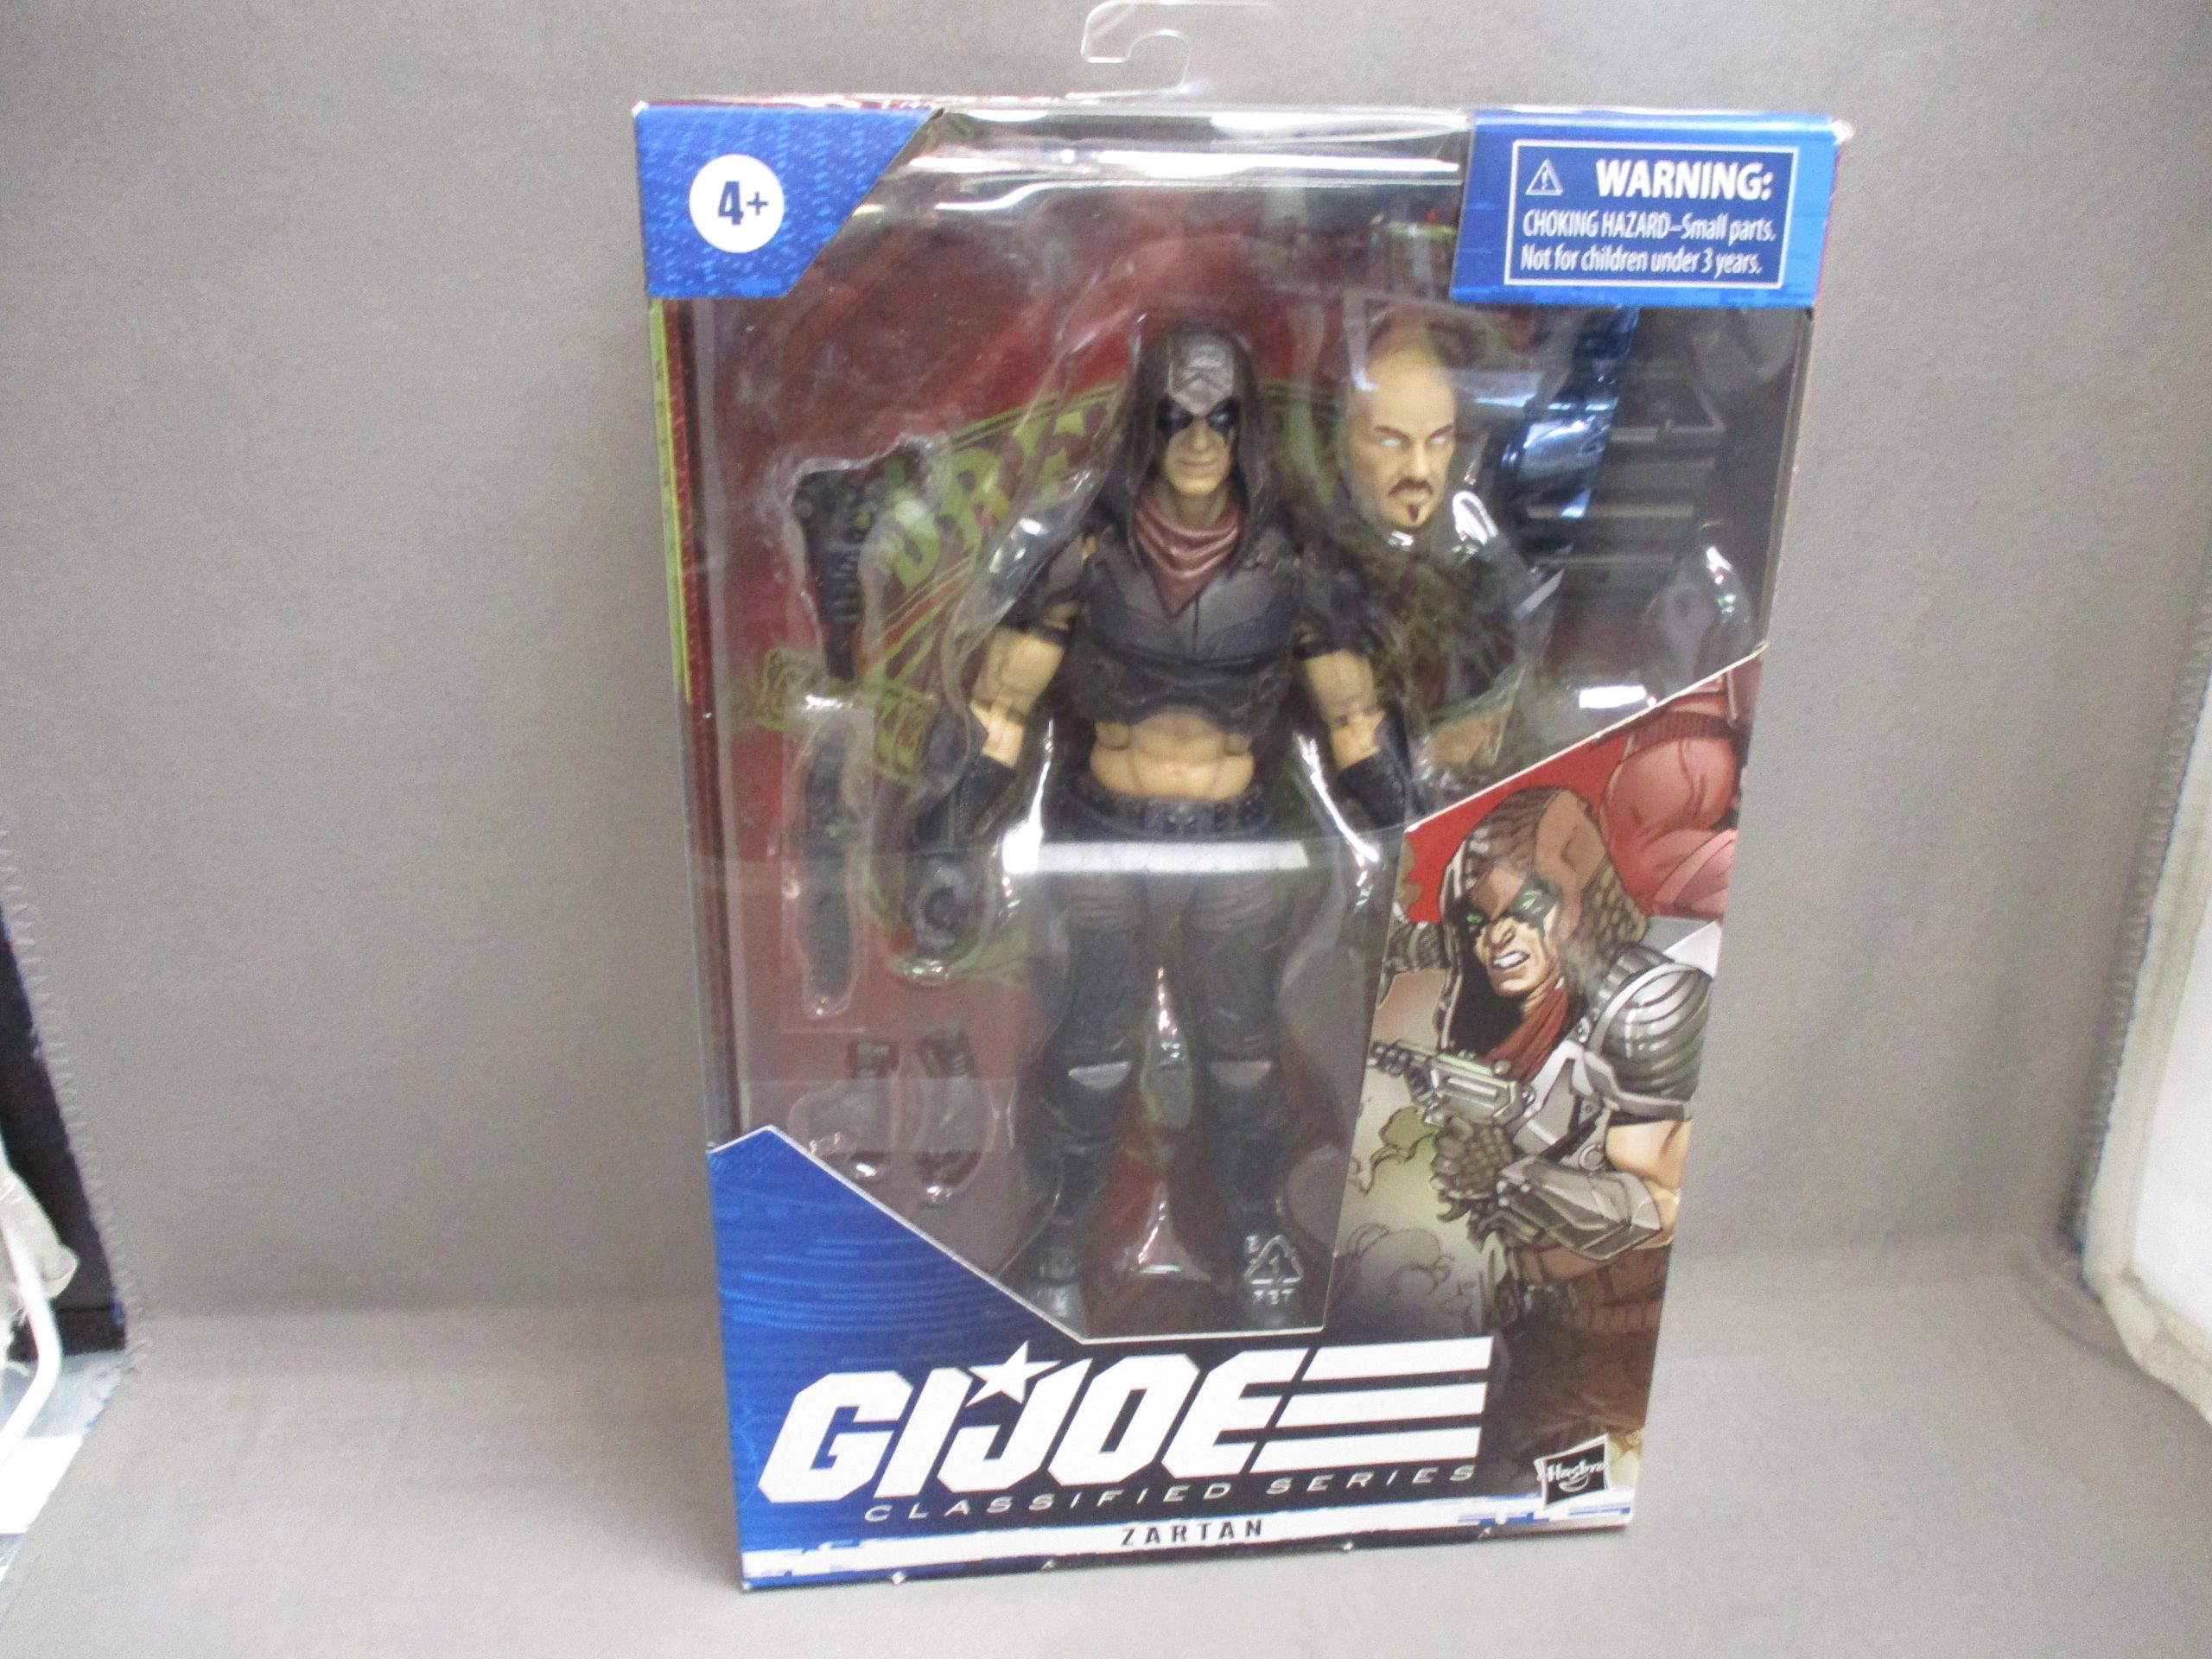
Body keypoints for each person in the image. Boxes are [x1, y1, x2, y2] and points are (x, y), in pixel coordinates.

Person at [907, 322, 1412, 1332]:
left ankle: (1260, 1230)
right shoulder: (1087, 555)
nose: (1198, 440)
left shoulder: (1290, 563)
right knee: (1092, 1055)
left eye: (1219, 417)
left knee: (1243, 1059)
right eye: (1177, 417)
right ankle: (1062, 1235)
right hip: (1106, 836)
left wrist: (1409, 841)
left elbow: (1355, 720)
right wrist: (951, 829)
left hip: (1235, 842)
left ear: (1244, 426)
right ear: (1148, 422)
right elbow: (1000, 707)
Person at [1325, 319, 1536, 789]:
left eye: (1438, 439)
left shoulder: (1483, 566)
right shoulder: (1318, 571)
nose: (1419, 469)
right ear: (1345, 441)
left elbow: (1516, 700)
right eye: (1391, 440)